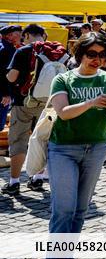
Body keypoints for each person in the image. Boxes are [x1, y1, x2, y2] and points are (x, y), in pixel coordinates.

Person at [46, 33, 106, 259]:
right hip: (63, 148)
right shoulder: (63, 79)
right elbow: (63, 112)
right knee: (64, 209)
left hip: (96, 148)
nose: (96, 59)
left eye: (102, 55)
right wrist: (92, 102)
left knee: (80, 210)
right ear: (81, 54)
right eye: (91, 54)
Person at [3, 24, 56, 195]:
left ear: (26, 35)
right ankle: (37, 179)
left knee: (18, 140)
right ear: (43, 35)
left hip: (23, 102)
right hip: (49, 103)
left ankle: (14, 181)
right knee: (41, 140)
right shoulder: (58, 51)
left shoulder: (23, 51)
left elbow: (12, 77)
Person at [0, 25, 23, 132]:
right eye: (19, 34)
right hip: (2, 93)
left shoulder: (4, 47)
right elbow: (3, 73)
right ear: (10, 36)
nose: (21, 36)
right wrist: (6, 93)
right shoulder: (7, 50)